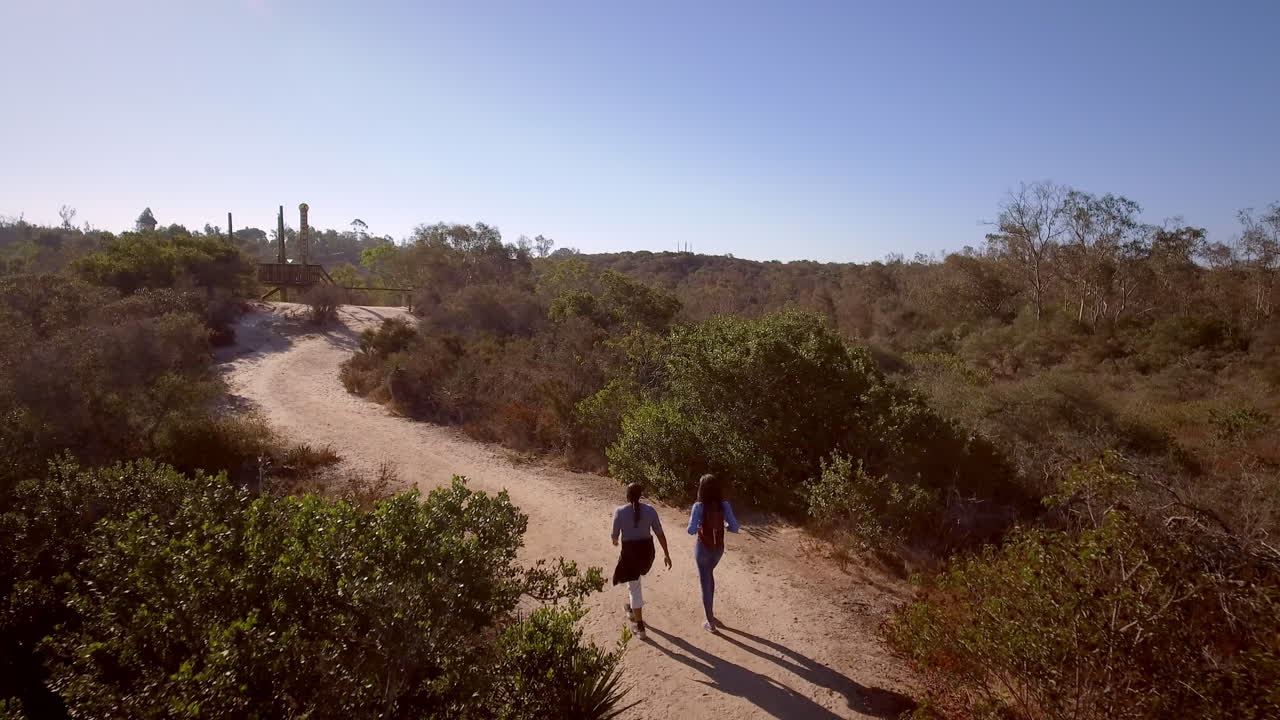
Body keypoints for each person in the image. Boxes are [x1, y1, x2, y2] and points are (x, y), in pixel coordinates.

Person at [611, 483, 671, 639]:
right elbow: (660, 533)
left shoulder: (619, 512)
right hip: (647, 553)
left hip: (630, 553)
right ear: (640, 495)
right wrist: (666, 554)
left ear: (627, 496)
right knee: (634, 582)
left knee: (634, 588)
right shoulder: (650, 510)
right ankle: (631, 608)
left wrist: (616, 542)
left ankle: (640, 627)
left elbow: (614, 536)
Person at [687, 473, 739, 633]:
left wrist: (699, 527)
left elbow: (691, 530)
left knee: (704, 580)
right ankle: (711, 612)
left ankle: (710, 622)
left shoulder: (699, 506)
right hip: (718, 549)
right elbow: (735, 527)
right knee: (709, 575)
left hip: (703, 547)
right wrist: (724, 527)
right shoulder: (724, 505)